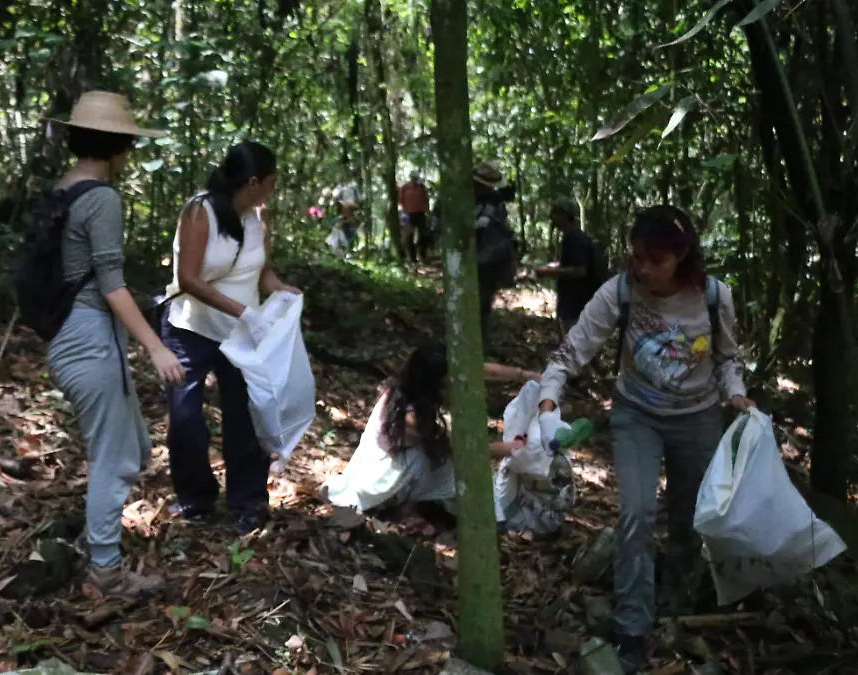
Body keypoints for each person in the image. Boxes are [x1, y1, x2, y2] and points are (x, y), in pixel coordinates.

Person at [534, 205, 755, 674]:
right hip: (636, 414)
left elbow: (727, 358)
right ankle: (632, 623)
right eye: (636, 257)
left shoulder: (714, 297)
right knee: (636, 510)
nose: (643, 269)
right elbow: (570, 352)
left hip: (697, 418)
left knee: (688, 516)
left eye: (655, 260)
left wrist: (736, 397)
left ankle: (675, 602)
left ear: (681, 256)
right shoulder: (620, 292)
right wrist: (549, 402)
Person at [45, 91, 185, 597]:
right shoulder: (101, 198)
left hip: (71, 336)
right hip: (88, 340)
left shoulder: (62, 189)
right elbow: (110, 284)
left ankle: (93, 536)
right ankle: (105, 569)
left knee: (132, 447)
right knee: (116, 456)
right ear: (119, 146)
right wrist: (156, 346)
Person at [161, 141, 301, 535]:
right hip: (192, 328)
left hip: (242, 338)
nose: (273, 189)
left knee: (244, 417)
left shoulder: (257, 218)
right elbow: (188, 278)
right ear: (254, 182)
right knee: (186, 418)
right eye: (271, 182)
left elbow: (260, 273)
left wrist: (283, 291)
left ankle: (248, 500)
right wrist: (242, 311)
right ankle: (195, 498)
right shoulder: (200, 211)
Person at [322, 342, 543, 516]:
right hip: (379, 481)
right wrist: (515, 447)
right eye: (447, 384)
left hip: (397, 468)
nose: (454, 388)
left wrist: (525, 376)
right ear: (431, 385)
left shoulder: (406, 394)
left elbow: (481, 371)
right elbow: (462, 450)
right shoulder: (408, 416)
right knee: (447, 462)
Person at [471, 163, 519, 355]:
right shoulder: (465, 198)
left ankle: (482, 342)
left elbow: (501, 225)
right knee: (475, 301)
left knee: (484, 301)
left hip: (489, 259)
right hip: (473, 256)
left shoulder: (495, 201)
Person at [535, 196, 597, 337]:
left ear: (565, 215)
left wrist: (549, 272)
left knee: (576, 346)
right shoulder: (571, 237)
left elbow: (580, 270)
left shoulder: (575, 238)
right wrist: (553, 266)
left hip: (576, 305)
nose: (552, 217)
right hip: (573, 303)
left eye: (556, 212)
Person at [398, 171, 431, 262]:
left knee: (423, 235)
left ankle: (422, 255)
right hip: (408, 214)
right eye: (413, 177)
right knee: (409, 236)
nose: (414, 179)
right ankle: (412, 258)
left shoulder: (421, 187)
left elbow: (426, 200)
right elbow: (400, 201)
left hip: (420, 213)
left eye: (415, 178)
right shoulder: (404, 188)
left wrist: (427, 212)